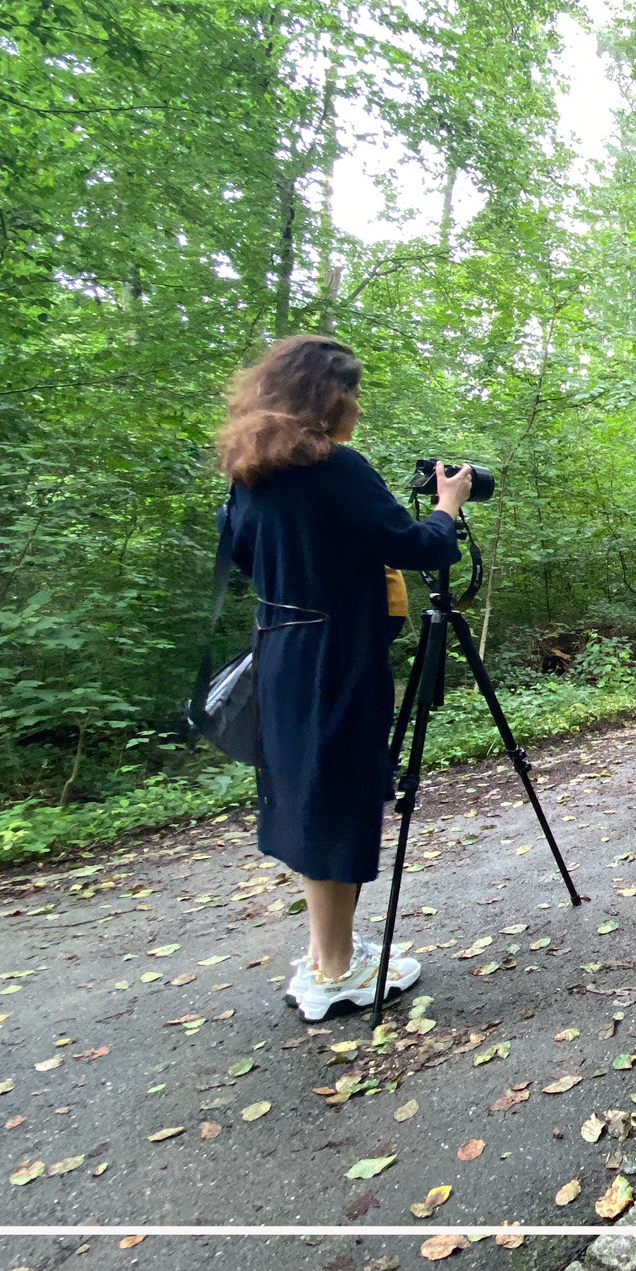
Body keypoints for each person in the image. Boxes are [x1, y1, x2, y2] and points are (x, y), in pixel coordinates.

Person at [214, 335, 476, 1020]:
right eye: (351, 393)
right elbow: (418, 545)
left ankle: (328, 952)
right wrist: (448, 503)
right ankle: (336, 971)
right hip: (336, 656)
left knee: (306, 797)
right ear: (324, 399)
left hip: (280, 652)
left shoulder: (250, 474)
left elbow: (245, 558)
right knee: (340, 798)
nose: (357, 406)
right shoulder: (337, 469)